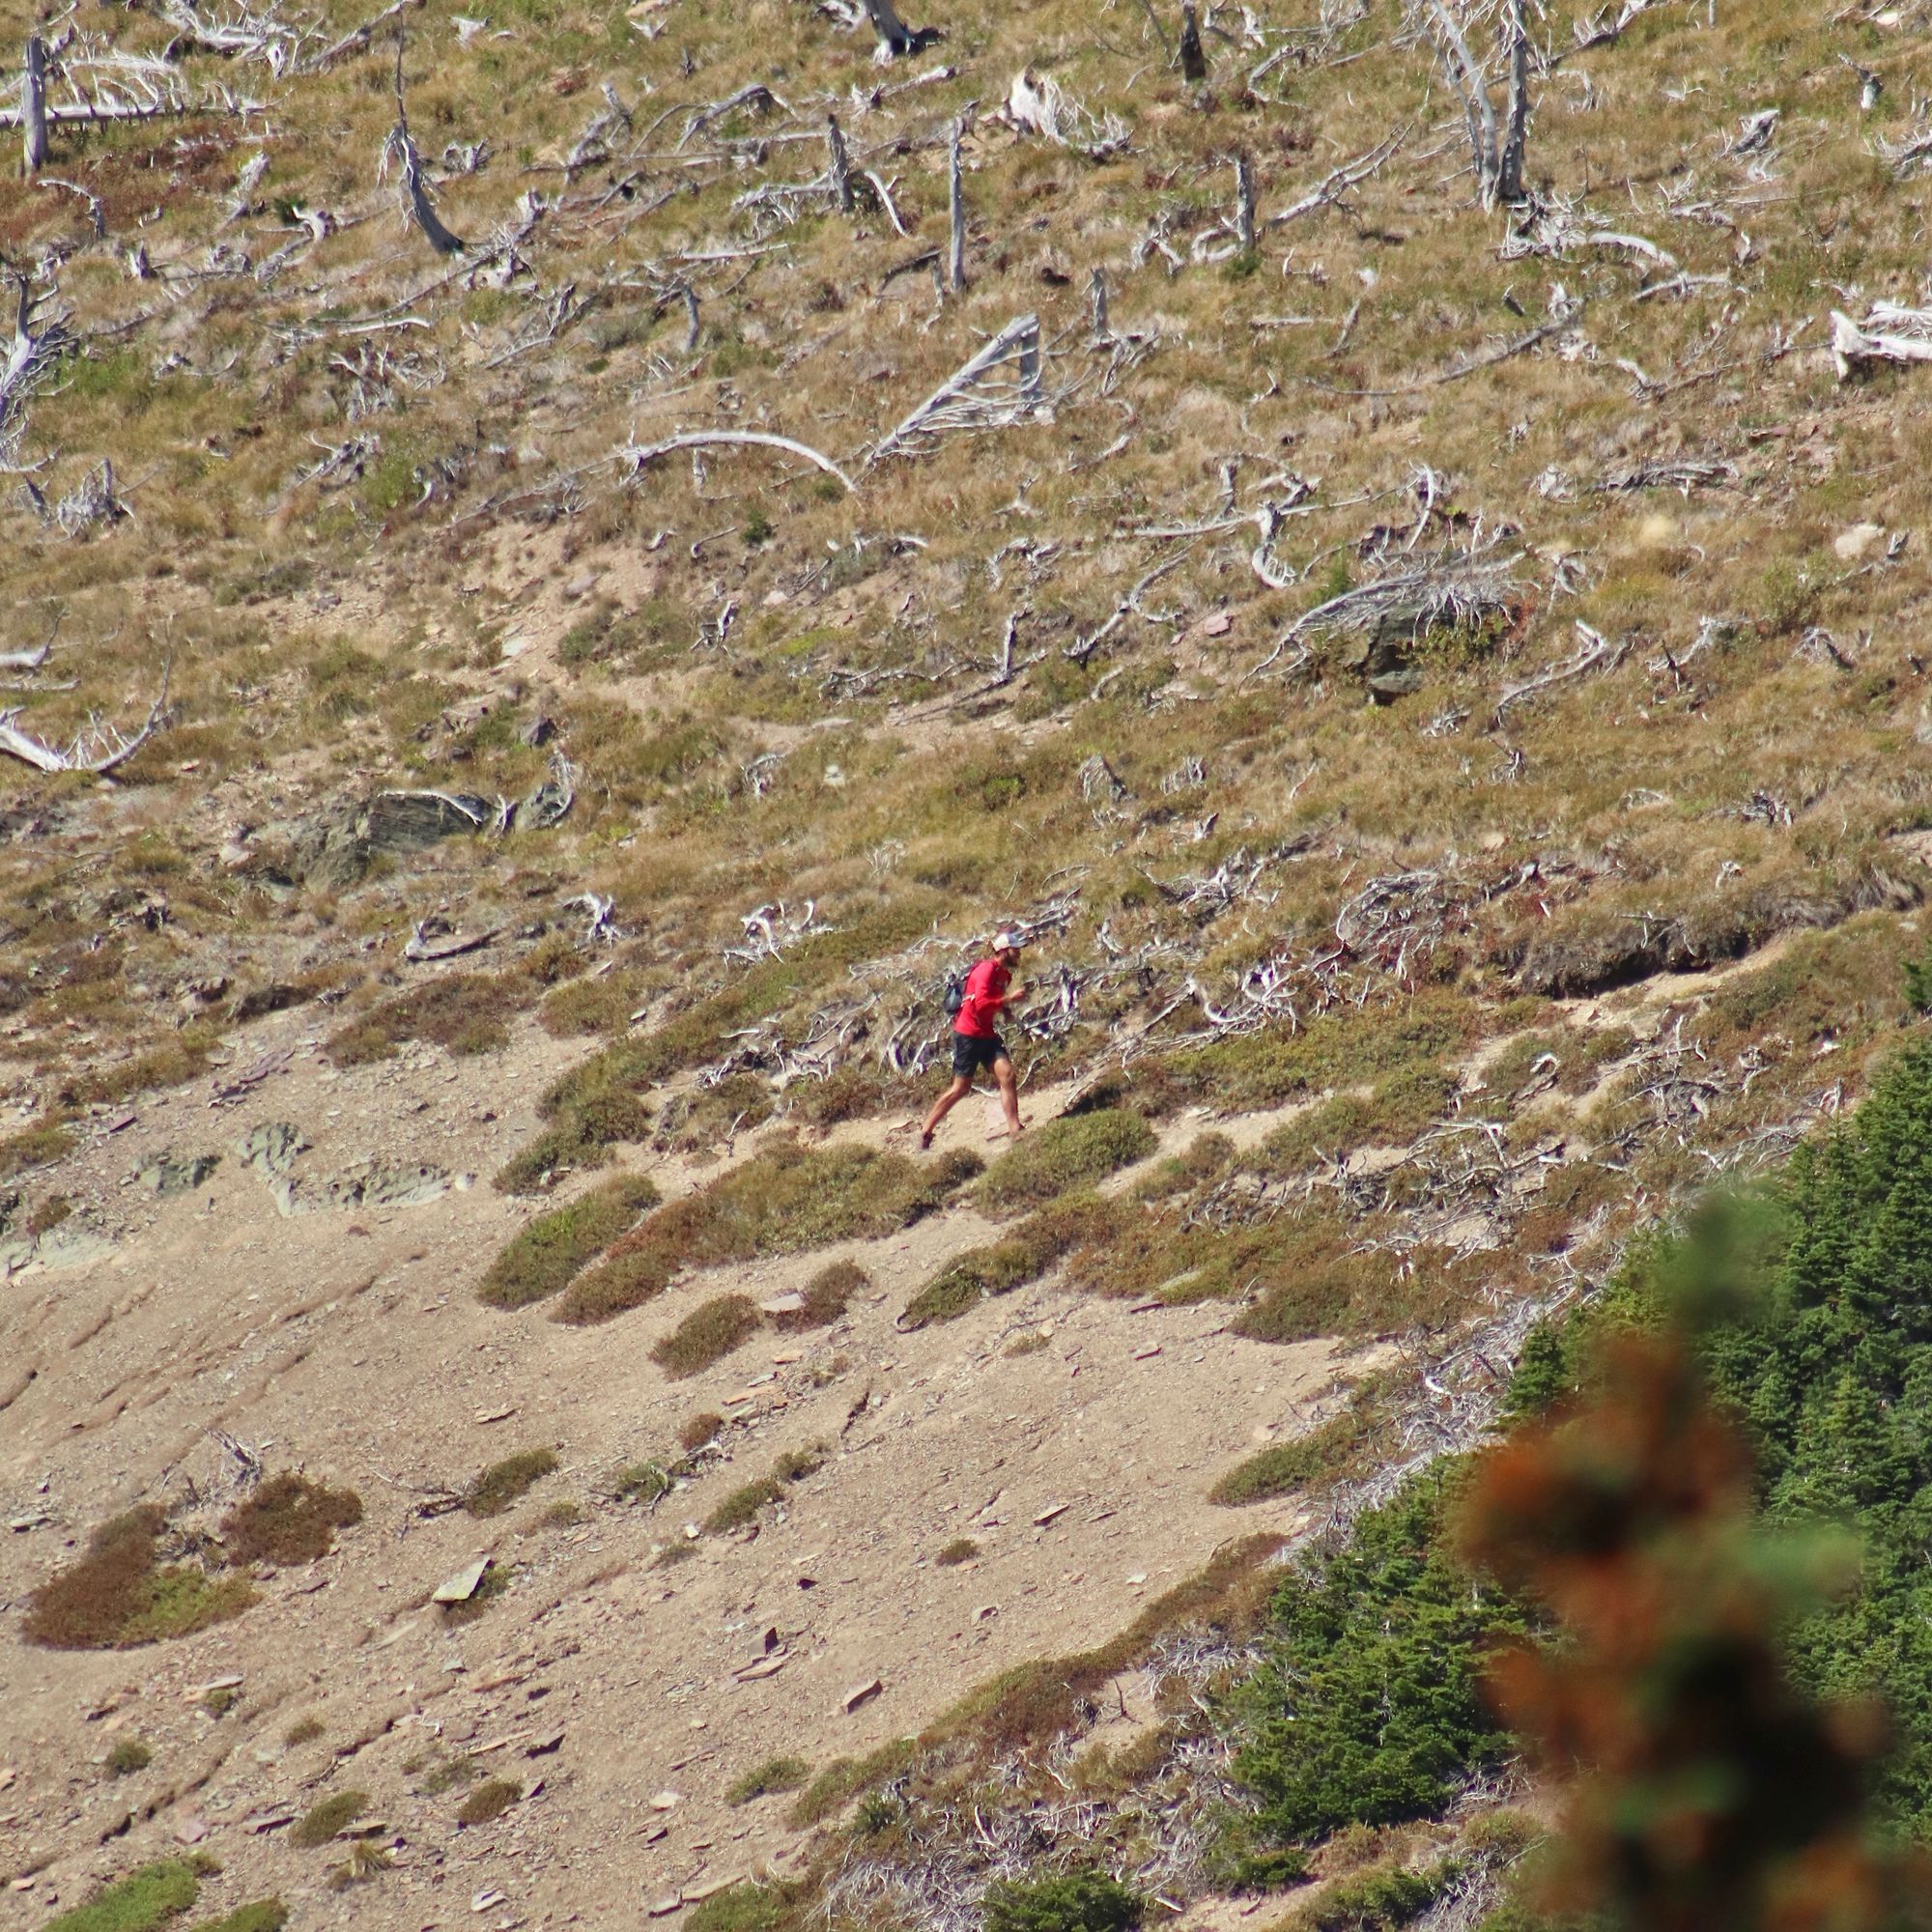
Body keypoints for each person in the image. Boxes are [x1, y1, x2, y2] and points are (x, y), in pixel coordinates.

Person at [921, 930, 1030, 1150]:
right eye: (1015, 949)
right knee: (960, 1088)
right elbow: (980, 1004)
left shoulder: (1004, 975)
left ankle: (1014, 1129)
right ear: (1002, 951)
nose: (1018, 953)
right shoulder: (986, 970)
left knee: (1007, 1075)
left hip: (987, 1034)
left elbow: (992, 1001)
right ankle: (926, 1131)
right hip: (968, 1035)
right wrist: (1009, 999)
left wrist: (1005, 1009)